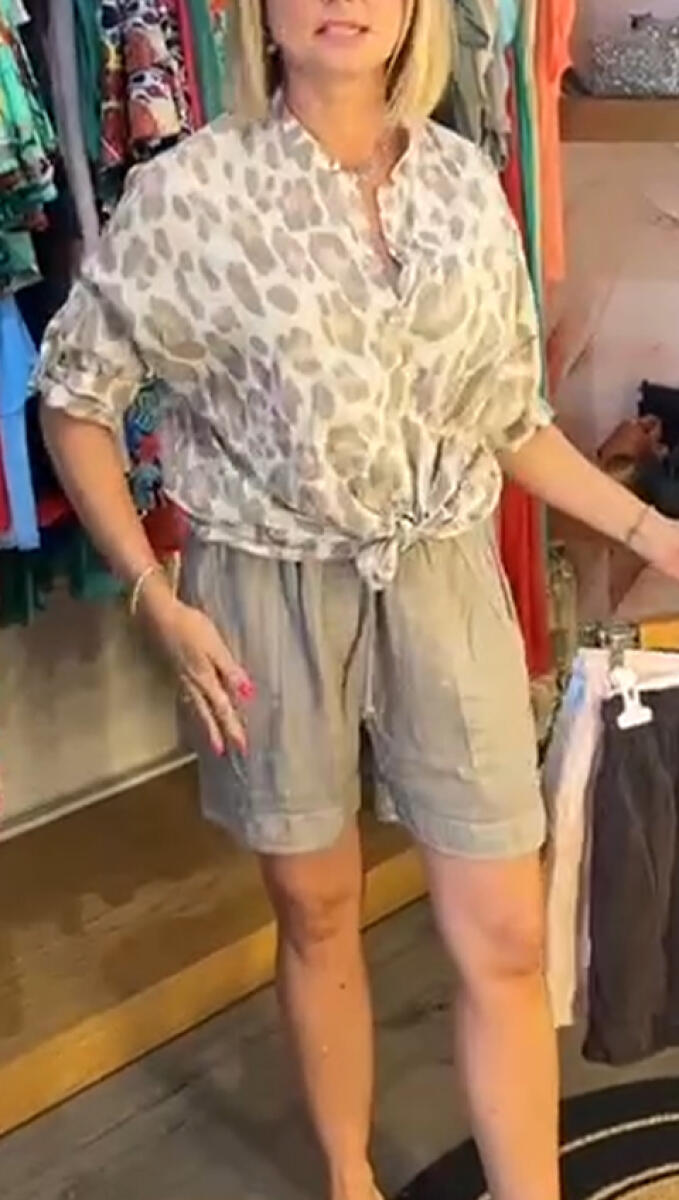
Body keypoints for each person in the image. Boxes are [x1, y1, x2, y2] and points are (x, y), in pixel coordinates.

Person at [37, 2, 679, 1198]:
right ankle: (347, 1177)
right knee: (319, 907)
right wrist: (153, 593)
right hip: (263, 584)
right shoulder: (190, 192)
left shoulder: (462, 184)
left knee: (501, 926)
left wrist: (653, 533)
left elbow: (508, 420)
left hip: (442, 577)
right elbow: (74, 398)